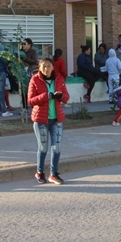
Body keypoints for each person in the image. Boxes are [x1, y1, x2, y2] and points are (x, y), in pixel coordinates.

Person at [28, 57, 69, 185]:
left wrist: (60, 96)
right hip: (41, 120)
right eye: (44, 66)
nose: (46, 69)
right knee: (43, 148)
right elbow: (30, 100)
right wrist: (46, 96)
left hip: (57, 119)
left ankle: (53, 174)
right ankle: (40, 172)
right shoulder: (35, 79)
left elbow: (66, 97)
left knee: (57, 148)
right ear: (39, 68)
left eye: (49, 66)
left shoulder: (59, 79)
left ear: (53, 67)